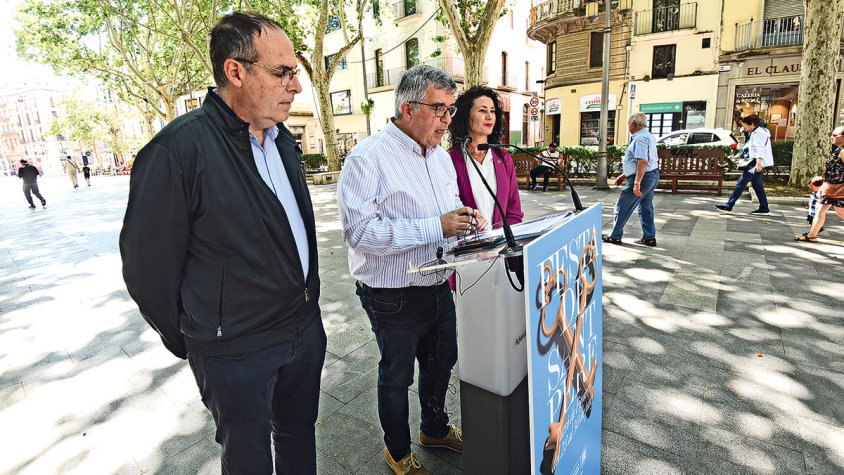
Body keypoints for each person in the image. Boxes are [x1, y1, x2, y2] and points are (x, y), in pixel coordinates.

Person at [120, 12, 325, 474]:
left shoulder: (282, 141)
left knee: (299, 438)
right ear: (236, 71)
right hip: (234, 351)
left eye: (294, 72)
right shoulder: (175, 151)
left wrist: (307, 314)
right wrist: (198, 338)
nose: (295, 86)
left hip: (303, 331)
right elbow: (146, 269)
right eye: (282, 72)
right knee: (248, 460)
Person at [337, 65, 486, 475]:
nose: (447, 120)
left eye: (452, 110)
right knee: (397, 376)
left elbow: (448, 213)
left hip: (437, 283)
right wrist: (436, 226)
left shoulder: (438, 158)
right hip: (392, 294)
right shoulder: (367, 158)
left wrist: (469, 227)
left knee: (442, 362)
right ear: (407, 107)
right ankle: (397, 451)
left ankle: (434, 429)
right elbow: (360, 233)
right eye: (440, 109)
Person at [447, 85, 523, 229]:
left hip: (501, 247)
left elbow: (514, 211)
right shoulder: (451, 160)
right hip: (468, 247)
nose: (489, 116)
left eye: (492, 111)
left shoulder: (504, 158)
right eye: (482, 110)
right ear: (466, 116)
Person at [602, 112, 661, 247]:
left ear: (633, 124)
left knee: (622, 207)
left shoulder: (639, 138)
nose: (628, 126)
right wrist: (624, 175)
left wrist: (636, 182)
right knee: (645, 207)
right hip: (651, 175)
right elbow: (640, 161)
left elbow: (643, 161)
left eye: (628, 123)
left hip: (643, 178)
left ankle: (615, 235)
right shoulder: (648, 136)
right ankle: (649, 237)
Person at [794, 126, 844, 242]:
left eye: (835, 135)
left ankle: (812, 235)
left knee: (840, 212)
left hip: (838, 189)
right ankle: (812, 235)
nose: (832, 137)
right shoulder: (838, 150)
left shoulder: (842, 151)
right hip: (831, 188)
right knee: (819, 209)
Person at [716, 114, 773, 214]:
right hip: (755, 161)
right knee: (757, 186)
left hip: (754, 162)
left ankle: (729, 205)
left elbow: (760, 148)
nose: (744, 127)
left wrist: (759, 163)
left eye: (745, 125)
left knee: (741, 183)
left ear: (752, 124)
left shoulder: (758, 133)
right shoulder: (757, 132)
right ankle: (764, 207)